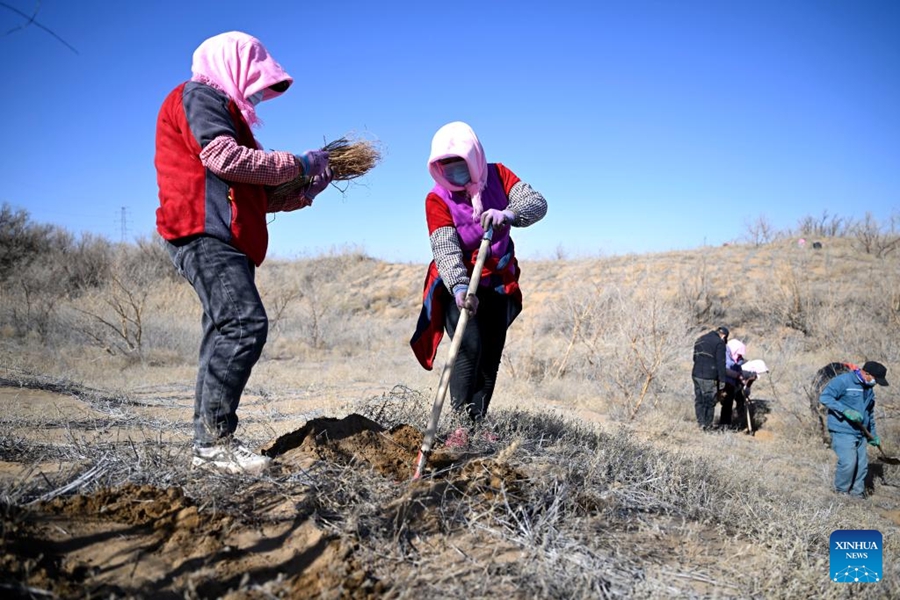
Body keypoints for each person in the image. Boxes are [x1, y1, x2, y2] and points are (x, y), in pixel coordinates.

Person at [154, 31, 333, 474]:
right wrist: (298, 163)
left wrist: (305, 192)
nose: (257, 92)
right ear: (232, 65)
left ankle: (208, 445)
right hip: (204, 232)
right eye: (254, 80)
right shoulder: (199, 94)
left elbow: (253, 195)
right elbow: (224, 160)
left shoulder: (229, 112)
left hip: (225, 238)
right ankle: (215, 444)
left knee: (222, 330)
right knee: (243, 324)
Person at [410, 122, 547, 446]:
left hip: (498, 280)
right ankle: (460, 427)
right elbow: (444, 247)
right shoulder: (437, 198)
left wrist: (508, 214)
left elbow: (538, 203)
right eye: (447, 168)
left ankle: (477, 421)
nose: (455, 174)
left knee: (490, 352)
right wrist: (459, 288)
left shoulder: (498, 175)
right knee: (467, 349)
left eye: (461, 166)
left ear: (474, 160)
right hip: (460, 280)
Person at [819, 361, 889, 498]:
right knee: (848, 463)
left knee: (862, 465)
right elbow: (825, 397)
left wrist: (873, 435)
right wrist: (844, 410)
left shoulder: (868, 388)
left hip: (861, 432)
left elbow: (870, 414)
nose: (876, 383)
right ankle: (842, 493)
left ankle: (857, 494)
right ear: (866, 373)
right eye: (875, 379)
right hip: (842, 429)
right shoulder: (843, 381)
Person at [691, 326, 738, 430]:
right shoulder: (719, 343)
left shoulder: (700, 338)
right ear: (724, 336)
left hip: (696, 374)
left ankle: (700, 423)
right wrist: (722, 381)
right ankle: (707, 426)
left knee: (699, 399)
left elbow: (694, 358)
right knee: (709, 401)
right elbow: (721, 364)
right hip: (709, 376)